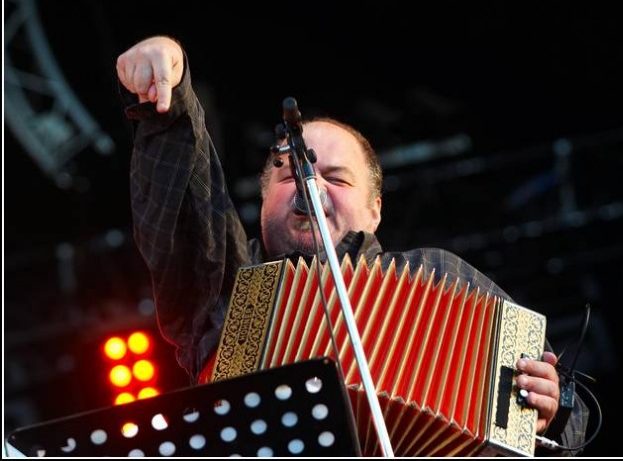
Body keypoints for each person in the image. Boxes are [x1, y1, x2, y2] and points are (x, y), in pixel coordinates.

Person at [117, 36, 588, 455]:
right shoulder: (230, 292)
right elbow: (184, 213)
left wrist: (555, 411)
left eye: (335, 177)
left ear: (375, 209)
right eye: (289, 174)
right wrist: (170, 99)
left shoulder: (442, 275)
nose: (309, 185)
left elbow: (566, 417)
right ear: (262, 203)